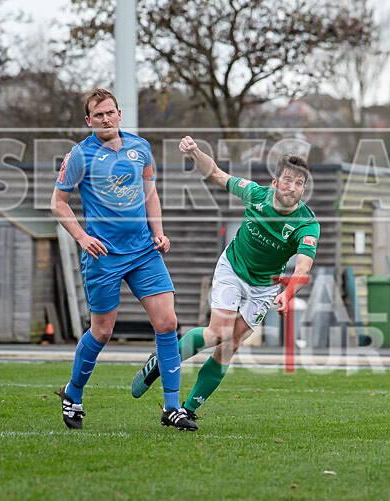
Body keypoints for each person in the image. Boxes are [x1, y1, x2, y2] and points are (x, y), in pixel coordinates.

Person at [130, 138, 320, 430]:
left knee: (229, 345)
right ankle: (163, 359)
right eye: (286, 181)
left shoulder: (307, 223)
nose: (291, 187)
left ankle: (187, 410)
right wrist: (194, 153)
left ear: (303, 189)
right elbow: (216, 173)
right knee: (217, 332)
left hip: (264, 287)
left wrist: (288, 292)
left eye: (298, 183)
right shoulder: (255, 194)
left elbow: (304, 264)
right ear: (275, 182)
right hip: (232, 269)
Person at [51, 88, 195, 431]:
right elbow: (58, 202)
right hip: (104, 256)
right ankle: (73, 393)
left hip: (144, 251)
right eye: (98, 115)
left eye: (110, 113)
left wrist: (158, 232)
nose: (105, 119)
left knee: (168, 323)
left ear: (119, 115)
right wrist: (83, 238)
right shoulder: (79, 156)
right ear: (89, 121)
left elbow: (150, 194)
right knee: (102, 331)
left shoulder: (140, 148)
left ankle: (172, 407)